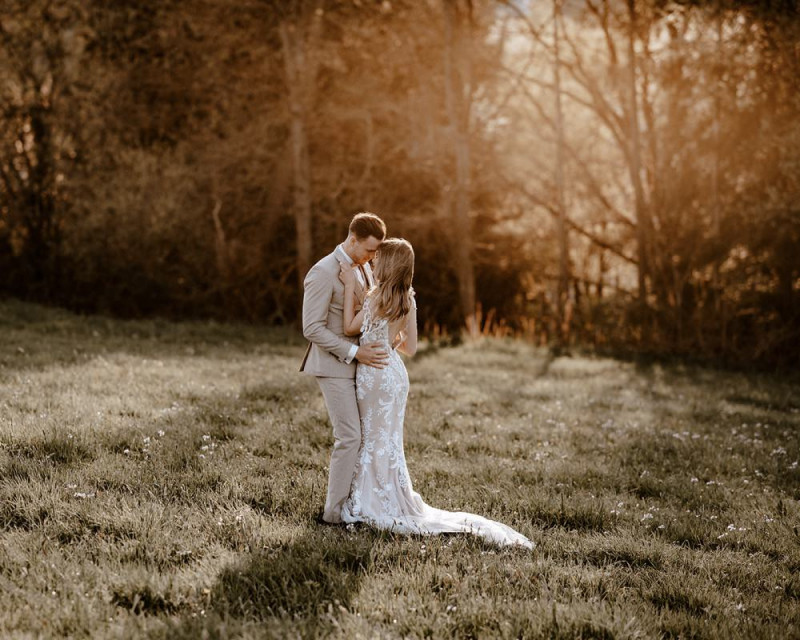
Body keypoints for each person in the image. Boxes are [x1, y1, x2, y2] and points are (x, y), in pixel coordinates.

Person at [338, 238, 534, 549]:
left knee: (372, 437)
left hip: (374, 374)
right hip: (394, 374)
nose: (374, 263)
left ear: (388, 264)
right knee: (389, 439)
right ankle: (391, 495)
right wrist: (390, 340)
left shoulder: (376, 298)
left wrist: (350, 285)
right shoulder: (408, 299)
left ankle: (371, 499)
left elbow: (350, 327)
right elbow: (411, 348)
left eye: (379, 259)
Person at [300, 212, 390, 524]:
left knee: (365, 436)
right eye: (369, 249)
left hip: (361, 368)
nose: (372, 257)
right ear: (352, 239)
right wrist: (355, 352)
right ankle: (332, 514)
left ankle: (357, 505)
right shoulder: (323, 271)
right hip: (333, 365)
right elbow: (312, 328)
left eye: (376, 252)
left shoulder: (363, 267)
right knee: (349, 436)